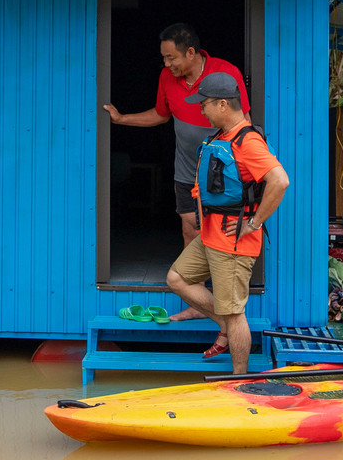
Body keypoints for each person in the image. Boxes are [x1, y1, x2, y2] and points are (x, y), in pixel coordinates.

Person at [103, 24, 250, 320]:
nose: (166, 64)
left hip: (221, 173)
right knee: (189, 229)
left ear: (191, 53)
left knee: (222, 232)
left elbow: (243, 120)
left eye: (171, 58)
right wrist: (121, 120)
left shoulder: (225, 72)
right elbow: (160, 114)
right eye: (164, 59)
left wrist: (245, 169)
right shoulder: (166, 78)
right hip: (185, 170)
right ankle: (197, 300)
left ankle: (227, 307)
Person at [165, 72, 288, 374]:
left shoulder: (248, 141)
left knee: (235, 314)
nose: (201, 110)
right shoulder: (222, 137)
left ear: (222, 104)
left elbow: (280, 181)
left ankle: (239, 379)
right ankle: (223, 327)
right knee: (177, 278)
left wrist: (254, 223)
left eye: (204, 104)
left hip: (233, 242)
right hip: (210, 234)